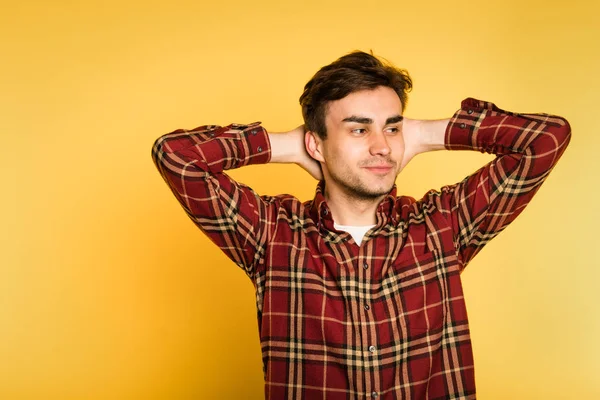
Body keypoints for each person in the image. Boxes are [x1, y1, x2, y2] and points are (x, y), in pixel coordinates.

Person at [151, 50, 571, 399]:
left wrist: (425, 133)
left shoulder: (442, 224)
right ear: (316, 142)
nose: (382, 146)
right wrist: (292, 146)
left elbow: (546, 139)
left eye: (392, 128)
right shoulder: (272, 233)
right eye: (358, 129)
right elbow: (177, 156)